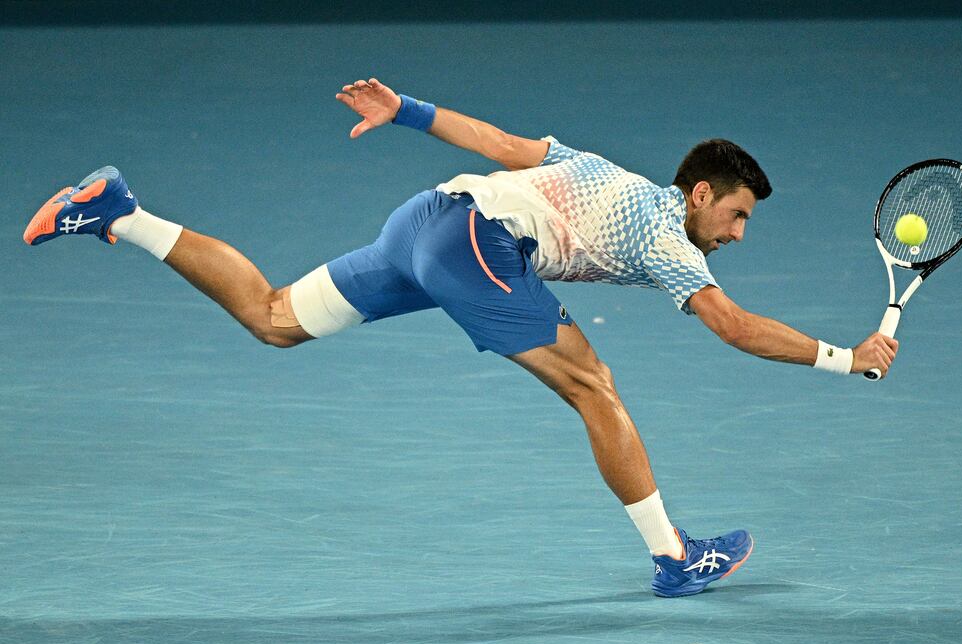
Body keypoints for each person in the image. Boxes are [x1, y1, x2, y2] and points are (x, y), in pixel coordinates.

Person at [23, 77, 898, 598]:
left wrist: (407, 110)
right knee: (593, 386)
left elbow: (502, 142)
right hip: (476, 243)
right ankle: (674, 558)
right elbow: (732, 326)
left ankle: (119, 213)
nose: (738, 234)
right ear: (700, 194)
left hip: (424, 219)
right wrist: (845, 356)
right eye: (737, 215)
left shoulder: (603, 171)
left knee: (275, 316)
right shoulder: (668, 236)